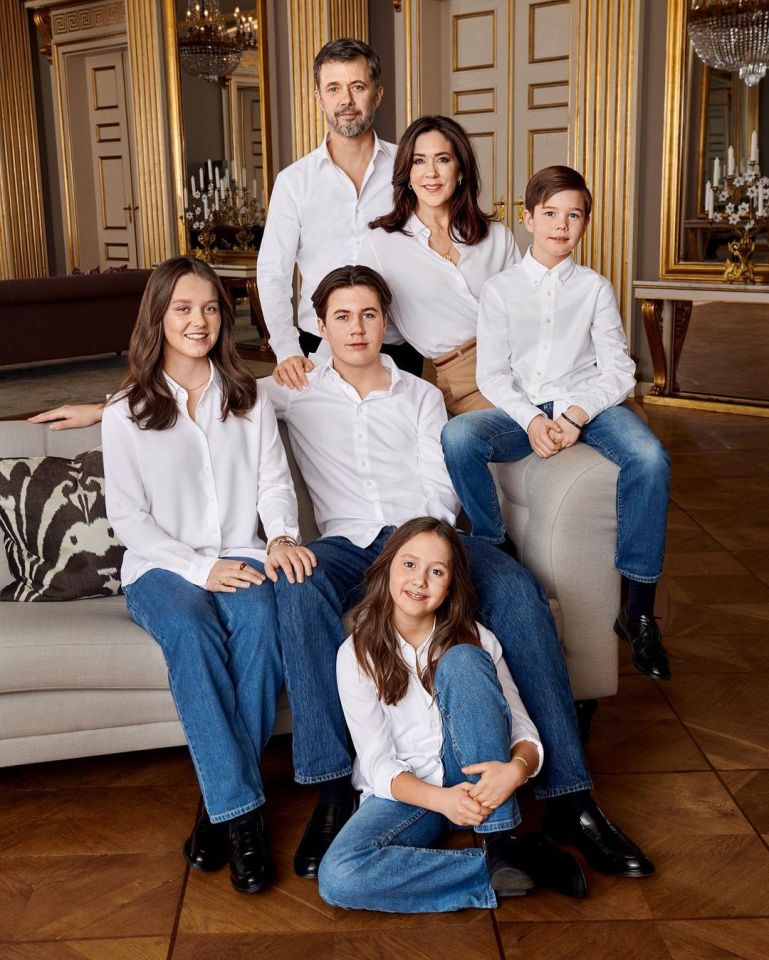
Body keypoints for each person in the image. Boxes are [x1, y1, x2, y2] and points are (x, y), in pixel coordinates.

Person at [263, 264, 655, 885]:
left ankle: (570, 800)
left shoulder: (420, 395)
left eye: (369, 314)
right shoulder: (289, 388)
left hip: (420, 537)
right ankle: (332, 793)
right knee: (295, 587)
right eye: (342, 315)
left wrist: (426, 555)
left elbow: (440, 487)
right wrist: (108, 406)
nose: (357, 327)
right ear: (320, 326)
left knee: (520, 593)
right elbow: (209, 397)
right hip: (341, 546)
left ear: (386, 322)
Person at [101, 255, 316, 894]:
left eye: (211, 308)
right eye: (184, 309)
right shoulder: (125, 411)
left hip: (242, 553)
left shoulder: (250, 399)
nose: (200, 321)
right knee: (193, 633)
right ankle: (246, 819)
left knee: (258, 624)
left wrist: (278, 537)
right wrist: (201, 569)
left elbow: (275, 482)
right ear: (159, 318)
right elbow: (128, 520)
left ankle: (219, 810)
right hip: (161, 569)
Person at [440, 165, 672, 681]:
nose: (561, 225)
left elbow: (619, 370)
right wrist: (528, 421)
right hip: (522, 409)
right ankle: (495, 545)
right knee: (457, 436)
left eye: (574, 215)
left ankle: (636, 608)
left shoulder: (594, 289)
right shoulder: (500, 291)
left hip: (589, 406)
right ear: (527, 219)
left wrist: (574, 416)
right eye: (550, 214)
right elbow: (493, 375)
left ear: (586, 224)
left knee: (651, 458)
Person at [318, 517, 587, 913]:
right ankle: (517, 864)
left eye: (436, 571)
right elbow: (377, 765)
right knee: (339, 876)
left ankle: (501, 837)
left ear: (449, 586)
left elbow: (523, 730)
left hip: (477, 785)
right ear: (388, 567)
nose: (420, 580)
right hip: (408, 795)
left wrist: (515, 770)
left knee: (462, 659)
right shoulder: (356, 653)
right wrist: (441, 801)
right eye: (409, 564)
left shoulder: (478, 639)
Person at [257, 37, 422, 385]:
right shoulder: (293, 182)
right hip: (317, 345)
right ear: (319, 98)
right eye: (333, 88)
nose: (345, 100)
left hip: (398, 344)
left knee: (397, 439)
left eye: (357, 86)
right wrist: (286, 348)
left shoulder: (410, 170)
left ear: (377, 94)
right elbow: (273, 272)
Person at [361, 114, 521, 415]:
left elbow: (528, 308)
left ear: (460, 169)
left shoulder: (497, 236)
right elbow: (362, 317)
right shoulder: (381, 244)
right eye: (419, 161)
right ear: (406, 172)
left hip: (526, 360)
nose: (430, 173)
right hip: (464, 379)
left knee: (621, 412)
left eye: (443, 159)